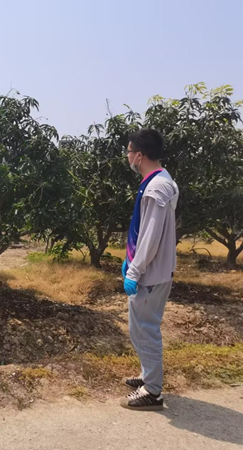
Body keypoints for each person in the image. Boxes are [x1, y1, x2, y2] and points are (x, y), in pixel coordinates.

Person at [120, 129, 179, 411]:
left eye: (129, 152)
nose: (128, 157)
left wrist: (135, 270)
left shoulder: (156, 189)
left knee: (145, 328)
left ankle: (153, 392)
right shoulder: (160, 180)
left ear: (139, 155)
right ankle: (147, 376)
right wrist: (131, 260)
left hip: (151, 273)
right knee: (140, 327)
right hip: (151, 269)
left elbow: (151, 236)